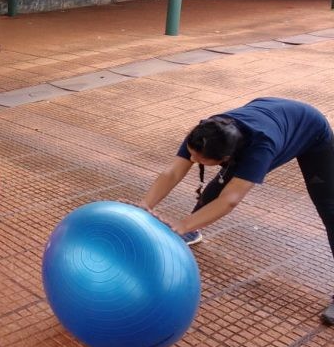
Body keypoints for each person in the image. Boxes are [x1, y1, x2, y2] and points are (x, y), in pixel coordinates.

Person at [140, 97, 334, 326]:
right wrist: (144, 207)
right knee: (219, 186)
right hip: (269, 113)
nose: (192, 160)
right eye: (191, 153)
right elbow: (173, 172)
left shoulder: (260, 148)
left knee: (329, 206)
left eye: (198, 159)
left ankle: (189, 229)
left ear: (226, 158)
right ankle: (193, 230)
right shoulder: (205, 133)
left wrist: (180, 225)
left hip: (310, 130)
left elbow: (231, 200)